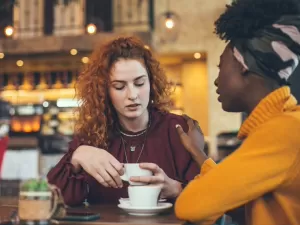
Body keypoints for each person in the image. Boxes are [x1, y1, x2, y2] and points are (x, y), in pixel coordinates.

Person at [174, 0, 300, 224]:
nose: (216, 80)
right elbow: (244, 205)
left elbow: (190, 206)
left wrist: (179, 188)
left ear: (242, 65)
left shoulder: (283, 131)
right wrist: (198, 152)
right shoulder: (281, 125)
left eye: (221, 66)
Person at [47, 36, 201, 206]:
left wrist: (176, 189)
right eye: (119, 87)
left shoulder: (178, 130)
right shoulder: (92, 136)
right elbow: (53, 200)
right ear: (105, 91)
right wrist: (77, 157)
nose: (132, 95)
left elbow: (210, 200)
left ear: (151, 82)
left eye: (140, 83)